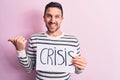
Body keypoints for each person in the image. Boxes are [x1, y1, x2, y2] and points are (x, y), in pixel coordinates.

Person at [8, 2, 87, 80]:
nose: (53, 20)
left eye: (57, 16)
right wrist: (20, 51)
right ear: (44, 18)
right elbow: (29, 68)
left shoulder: (73, 41)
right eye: (49, 16)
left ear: (61, 19)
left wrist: (80, 67)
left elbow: (76, 70)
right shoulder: (34, 39)